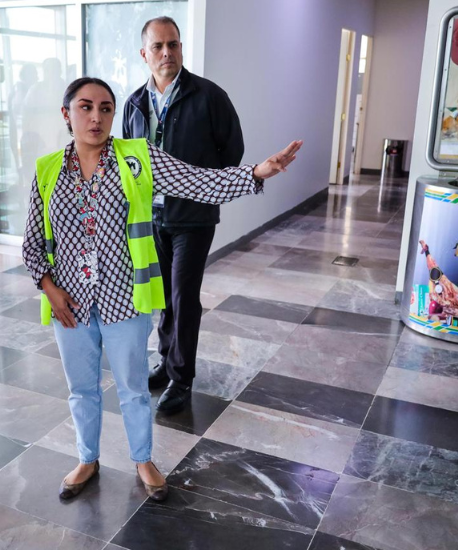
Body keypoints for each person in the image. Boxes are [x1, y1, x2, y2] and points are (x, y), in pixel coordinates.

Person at [22, 76, 301, 501]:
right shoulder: (47, 169)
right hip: (69, 301)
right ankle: (87, 458)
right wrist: (49, 288)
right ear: (67, 114)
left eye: (105, 108)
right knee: (81, 388)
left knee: (133, 388)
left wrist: (258, 172)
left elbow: (199, 182)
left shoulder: (136, 157)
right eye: (85, 107)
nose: (96, 117)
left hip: (125, 298)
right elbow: (33, 242)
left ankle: (143, 459)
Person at [123, 17, 245, 413]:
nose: (166, 53)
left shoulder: (209, 96)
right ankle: (166, 361)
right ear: (145, 54)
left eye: (173, 45)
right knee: (163, 298)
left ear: (181, 48)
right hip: (150, 218)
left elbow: (232, 153)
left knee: (184, 297)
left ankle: (181, 378)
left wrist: (200, 189)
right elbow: (127, 160)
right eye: (158, 47)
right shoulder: (134, 104)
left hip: (193, 218)